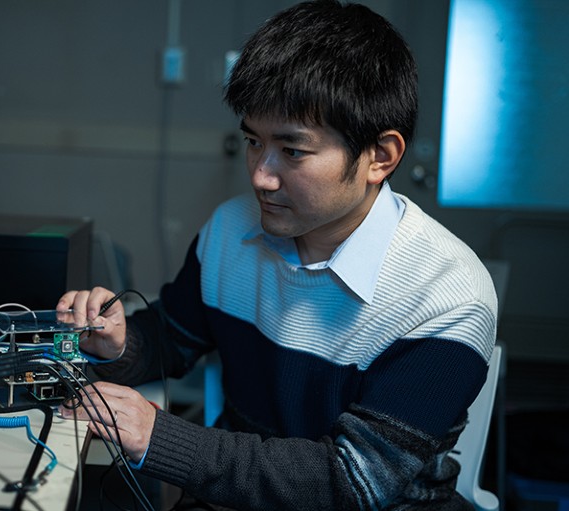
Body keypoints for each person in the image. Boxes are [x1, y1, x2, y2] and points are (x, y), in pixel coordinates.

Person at [57, 1, 498, 509]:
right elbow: (172, 340)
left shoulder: (446, 294)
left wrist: (158, 438)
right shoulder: (230, 229)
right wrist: (120, 342)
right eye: (252, 141)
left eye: (292, 151)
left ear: (381, 157)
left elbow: (352, 483)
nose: (261, 176)